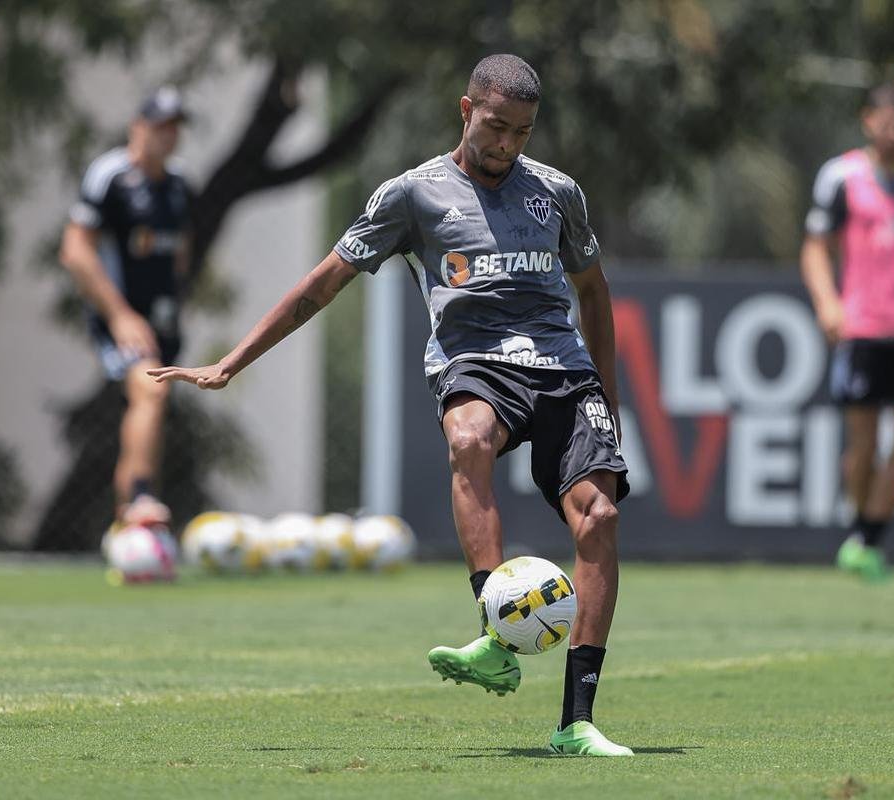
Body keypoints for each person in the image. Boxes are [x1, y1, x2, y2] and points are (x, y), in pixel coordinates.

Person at [149, 55, 632, 757]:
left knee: (602, 517)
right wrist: (230, 363)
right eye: (496, 127)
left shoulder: (557, 193)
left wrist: (608, 402)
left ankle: (575, 723)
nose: (507, 145)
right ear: (466, 110)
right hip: (475, 361)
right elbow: (321, 285)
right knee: (468, 439)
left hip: (562, 368)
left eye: (522, 133)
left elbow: (593, 292)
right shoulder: (413, 196)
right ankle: (497, 637)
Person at [800, 83, 894, 582]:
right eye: (884, 118)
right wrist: (827, 303)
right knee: (864, 443)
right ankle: (862, 531)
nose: (891, 128)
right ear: (867, 120)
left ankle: (868, 538)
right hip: (862, 328)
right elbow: (815, 246)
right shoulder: (842, 175)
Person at [60, 86, 191, 528]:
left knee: (150, 410)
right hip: (123, 321)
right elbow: (75, 251)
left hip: (163, 321)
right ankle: (139, 500)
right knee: (151, 390)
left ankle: (128, 528)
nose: (168, 135)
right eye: (160, 125)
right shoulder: (111, 176)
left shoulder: (177, 187)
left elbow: (177, 254)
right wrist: (119, 315)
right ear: (138, 127)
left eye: (175, 127)